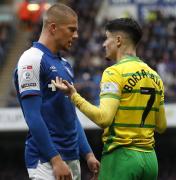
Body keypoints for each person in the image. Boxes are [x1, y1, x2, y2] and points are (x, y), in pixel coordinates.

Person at [52, 18, 167, 180]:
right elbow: (161, 126)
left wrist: (74, 96)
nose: (104, 44)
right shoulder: (155, 77)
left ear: (118, 40)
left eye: (107, 38)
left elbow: (103, 118)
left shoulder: (114, 73)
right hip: (150, 161)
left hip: (122, 157)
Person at [14, 3, 100, 180]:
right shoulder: (31, 59)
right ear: (53, 28)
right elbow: (32, 116)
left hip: (72, 158)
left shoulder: (65, 65)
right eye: (71, 29)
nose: (76, 35)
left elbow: (70, 115)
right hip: (46, 161)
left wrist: (88, 154)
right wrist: (55, 160)